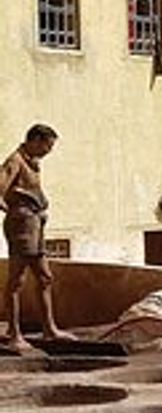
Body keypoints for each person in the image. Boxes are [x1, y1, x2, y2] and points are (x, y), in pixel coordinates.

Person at [0, 124, 71, 353]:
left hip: (35, 225)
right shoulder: (15, 160)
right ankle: (14, 333)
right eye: (47, 146)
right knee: (17, 280)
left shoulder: (31, 162)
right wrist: (15, 210)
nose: (48, 151)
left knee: (44, 277)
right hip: (22, 225)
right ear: (35, 140)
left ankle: (49, 328)